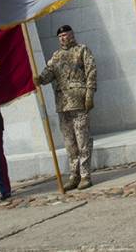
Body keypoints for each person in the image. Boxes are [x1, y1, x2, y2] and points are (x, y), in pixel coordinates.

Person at [37, 25, 97, 190]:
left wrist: (90, 94)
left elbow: (91, 71)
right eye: (60, 36)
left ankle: (85, 175)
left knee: (82, 140)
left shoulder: (82, 50)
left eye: (66, 34)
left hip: (79, 102)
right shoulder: (56, 56)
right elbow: (49, 73)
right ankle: (74, 175)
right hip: (63, 105)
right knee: (70, 143)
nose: (63, 38)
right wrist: (39, 79)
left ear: (72, 34)